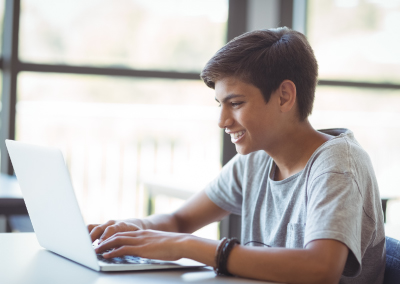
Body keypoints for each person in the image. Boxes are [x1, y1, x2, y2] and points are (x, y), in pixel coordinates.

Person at [90, 27, 385, 284]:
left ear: (284, 96)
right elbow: (179, 221)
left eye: (236, 103)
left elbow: (321, 270)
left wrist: (189, 247)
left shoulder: (337, 166)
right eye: (219, 104)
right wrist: (130, 230)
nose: (222, 120)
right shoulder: (256, 160)